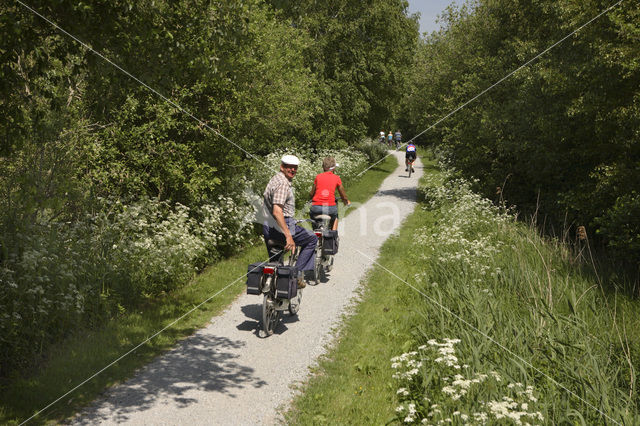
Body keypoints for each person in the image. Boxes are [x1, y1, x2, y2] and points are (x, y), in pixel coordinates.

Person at [262, 154, 317, 288]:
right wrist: (288, 236)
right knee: (312, 239)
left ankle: (274, 295)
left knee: (276, 262)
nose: (292, 170)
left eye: (295, 168)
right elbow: (277, 211)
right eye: (289, 167)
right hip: (282, 225)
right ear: (282, 167)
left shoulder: (274, 179)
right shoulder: (283, 184)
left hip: (267, 226)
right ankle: (295, 274)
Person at [309, 157, 350, 231]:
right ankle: (333, 235)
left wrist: (311, 198)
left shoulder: (318, 177)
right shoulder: (336, 178)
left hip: (316, 207)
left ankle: (315, 232)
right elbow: (343, 194)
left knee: (313, 219)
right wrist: (346, 201)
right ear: (333, 168)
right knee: (335, 216)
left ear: (323, 167)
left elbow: (311, 193)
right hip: (330, 208)